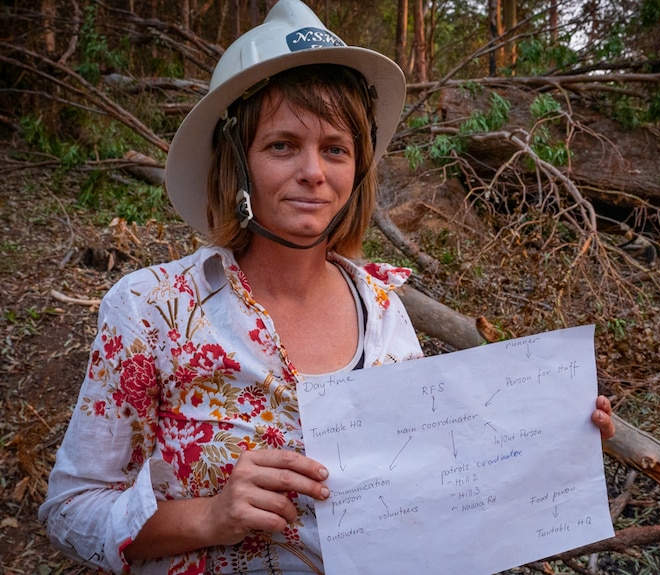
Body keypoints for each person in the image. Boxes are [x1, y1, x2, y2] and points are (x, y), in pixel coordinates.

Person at [39, 1, 615, 573]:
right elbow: (71, 511)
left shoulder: (384, 312)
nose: (314, 171)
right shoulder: (152, 311)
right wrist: (210, 516)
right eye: (282, 145)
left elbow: (435, 484)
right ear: (234, 163)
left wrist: (552, 435)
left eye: (335, 149)